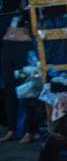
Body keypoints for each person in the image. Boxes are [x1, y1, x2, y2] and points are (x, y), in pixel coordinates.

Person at [1, 12, 39, 143]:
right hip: (6, 43)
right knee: (9, 89)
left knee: (26, 88)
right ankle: (12, 129)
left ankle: (29, 131)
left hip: (23, 44)